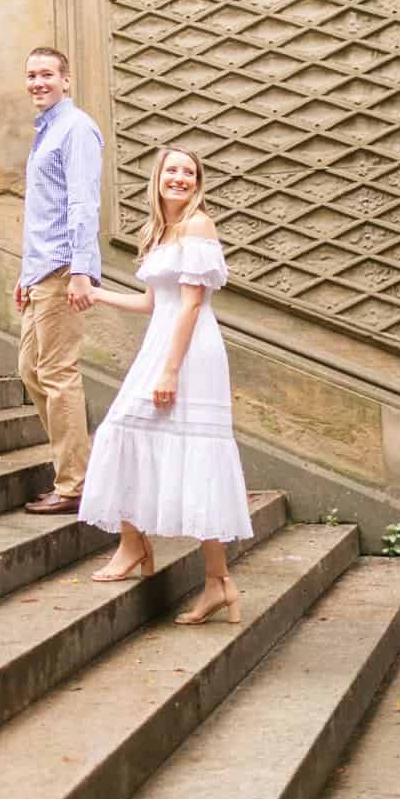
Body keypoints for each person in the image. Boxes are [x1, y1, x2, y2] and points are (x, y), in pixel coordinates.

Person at [78, 145, 253, 624]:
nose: (179, 178)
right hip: (162, 343)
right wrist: (97, 295)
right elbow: (155, 303)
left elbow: (192, 305)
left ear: (198, 183)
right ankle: (154, 553)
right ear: (157, 177)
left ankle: (212, 579)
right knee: (123, 435)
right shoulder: (160, 231)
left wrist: (171, 370)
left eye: (188, 172)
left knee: (156, 443)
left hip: (190, 353)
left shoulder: (198, 225)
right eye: (172, 170)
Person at [15, 47, 103, 514]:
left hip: (64, 270)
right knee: (31, 370)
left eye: (47, 74)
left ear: (66, 81)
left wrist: (82, 272)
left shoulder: (76, 129)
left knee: (57, 372)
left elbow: (83, 205)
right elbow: (43, 213)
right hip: (41, 271)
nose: (38, 82)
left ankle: (76, 485)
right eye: (31, 75)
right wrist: (25, 273)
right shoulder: (46, 131)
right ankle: (78, 469)